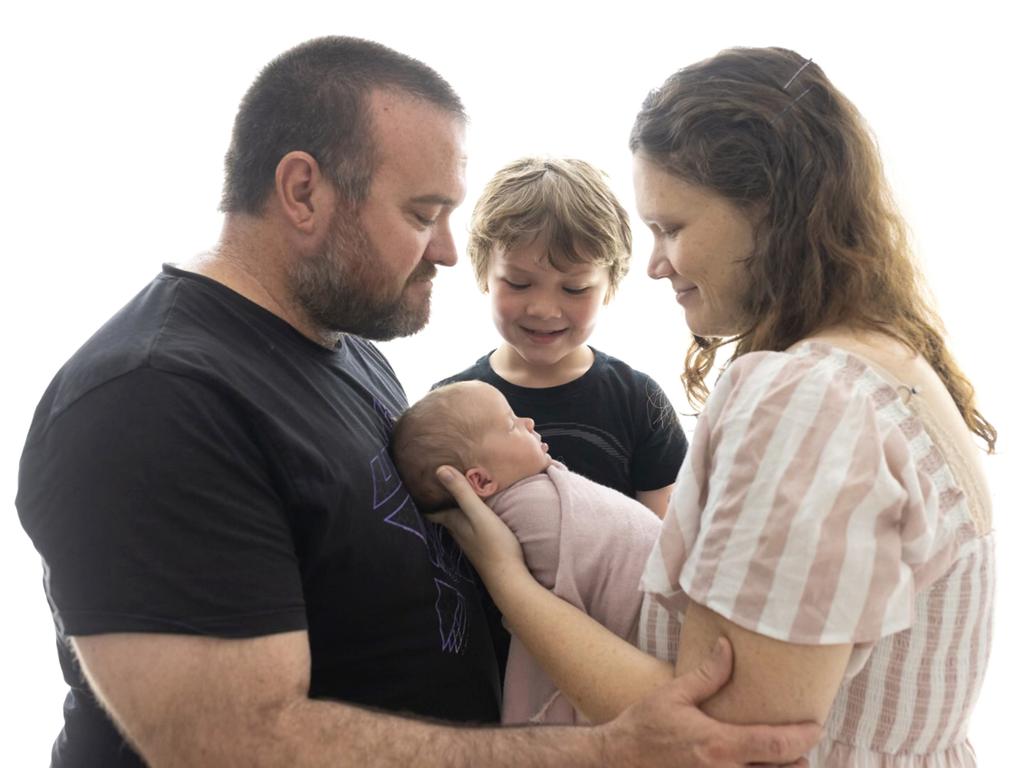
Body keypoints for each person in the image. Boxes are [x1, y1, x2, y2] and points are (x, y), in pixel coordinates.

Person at [15, 37, 821, 768]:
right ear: (302, 191)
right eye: (422, 214)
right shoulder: (151, 402)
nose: (444, 249)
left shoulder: (346, 349)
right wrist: (606, 750)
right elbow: (236, 742)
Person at [432, 47, 996, 767]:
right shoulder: (888, 360)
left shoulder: (806, 398)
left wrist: (505, 575)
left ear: (767, 211)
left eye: (671, 227)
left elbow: (712, 742)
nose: (656, 262)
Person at [391, 380, 678, 725]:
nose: (528, 422)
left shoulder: (632, 395)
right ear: (480, 482)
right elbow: (546, 632)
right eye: (512, 424)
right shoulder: (522, 516)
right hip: (656, 634)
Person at [435, 156, 687, 519]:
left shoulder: (638, 401)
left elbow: (664, 539)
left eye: (574, 288)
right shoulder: (450, 406)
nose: (544, 309)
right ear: (483, 273)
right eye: (519, 283)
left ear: (610, 286)